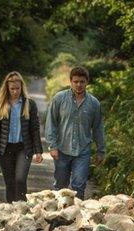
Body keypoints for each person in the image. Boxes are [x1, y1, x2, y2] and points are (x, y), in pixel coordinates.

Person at [45, 65, 105, 200]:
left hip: (82, 152)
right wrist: (52, 146)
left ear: (87, 82)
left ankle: (76, 217)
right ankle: (59, 217)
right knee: (61, 187)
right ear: (70, 81)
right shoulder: (59, 99)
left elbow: (98, 128)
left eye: (82, 82)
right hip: (62, 150)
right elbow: (51, 123)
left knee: (79, 186)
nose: (79, 85)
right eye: (76, 81)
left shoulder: (94, 104)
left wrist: (101, 150)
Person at [0, 71, 43, 202]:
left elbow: (34, 129)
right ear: (7, 88)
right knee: (10, 183)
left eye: (17, 88)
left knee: (20, 179)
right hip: (5, 149)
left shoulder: (29, 104)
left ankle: (21, 210)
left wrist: (38, 151)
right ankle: (11, 211)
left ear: (21, 87)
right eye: (12, 89)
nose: (15, 91)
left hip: (24, 148)